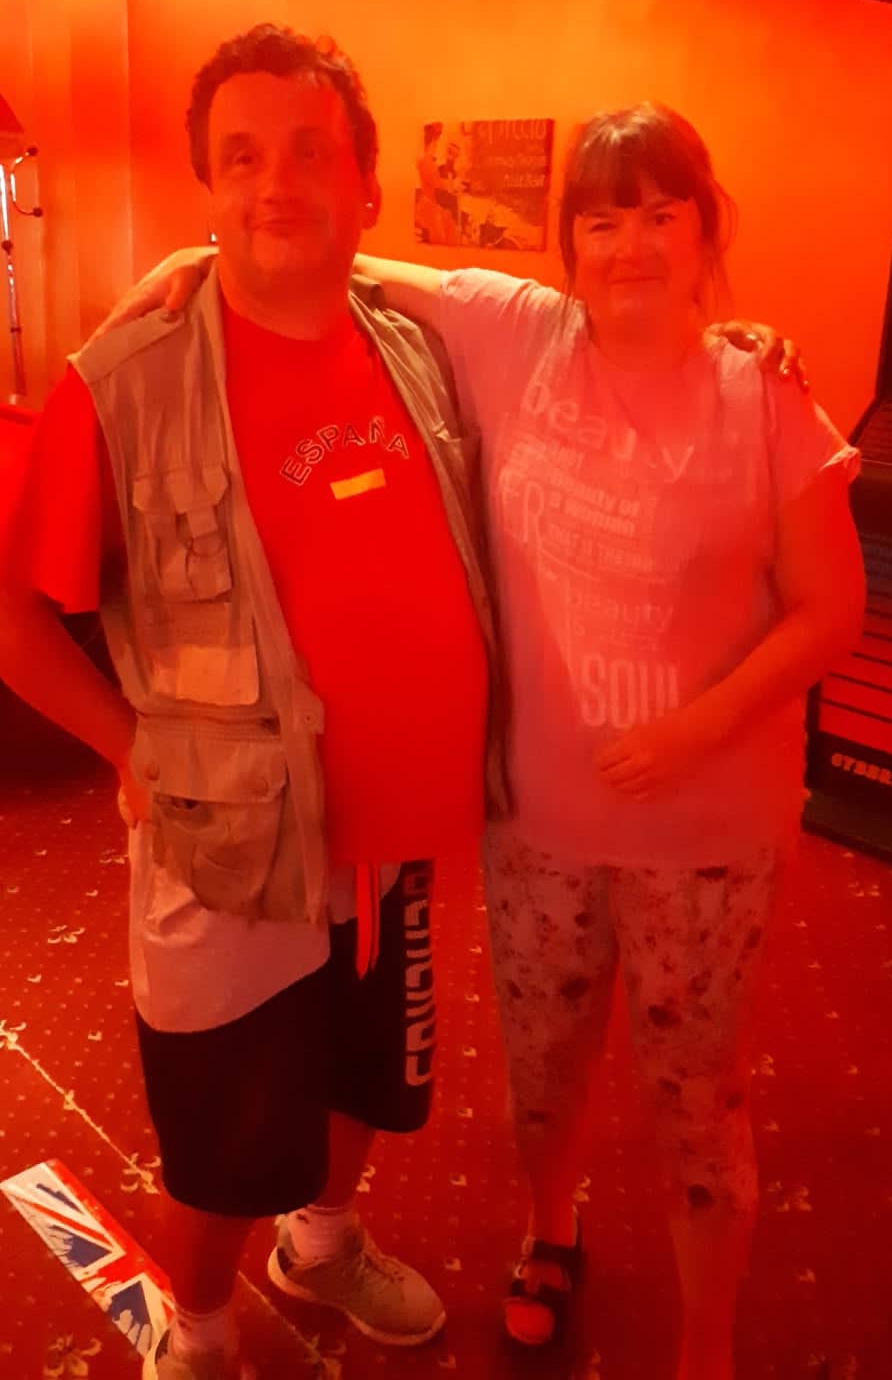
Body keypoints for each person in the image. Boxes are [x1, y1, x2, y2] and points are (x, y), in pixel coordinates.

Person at [66, 70, 817, 1377]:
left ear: (709, 223)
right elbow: (329, 249)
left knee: (605, 1090)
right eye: (602, 219)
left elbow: (829, 605)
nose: (631, 244)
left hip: (532, 824)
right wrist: (192, 258)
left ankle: (371, 1254)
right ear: (566, 244)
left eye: (662, 215)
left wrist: (695, 729)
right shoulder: (515, 333)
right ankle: (271, 1306)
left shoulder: (749, 389)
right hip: (451, 823)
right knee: (422, 1083)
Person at [0, 23, 513, 1380]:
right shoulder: (128, 381)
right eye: (241, 158)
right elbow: (13, 617)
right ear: (209, 188)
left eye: (309, 154)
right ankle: (204, 1328)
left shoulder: (417, 351)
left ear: (366, 186)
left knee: (367, 1084)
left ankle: (323, 1247)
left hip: (394, 838)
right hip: (224, 842)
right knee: (223, 1137)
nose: (276, 184)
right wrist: (127, 747)